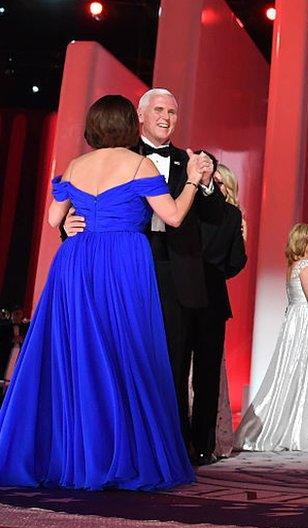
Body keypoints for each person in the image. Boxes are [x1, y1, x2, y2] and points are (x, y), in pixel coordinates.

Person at [0, 94, 202, 489]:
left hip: (76, 262)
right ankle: (119, 454)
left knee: (77, 355)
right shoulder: (139, 163)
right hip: (123, 261)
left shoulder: (75, 165)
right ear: (131, 124)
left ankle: (75, 452)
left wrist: (75, 220)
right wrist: (192, 179)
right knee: (125, 352)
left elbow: (54, 218)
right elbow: (174, 216)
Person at [65, 88, 227, 465]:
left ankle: (166, 449)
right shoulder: (114, 155)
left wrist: (201, 182)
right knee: (115, 356)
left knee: (168, 363)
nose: (167, 117)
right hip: (119, 270)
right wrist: (68, 226)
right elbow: (81, 207)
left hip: (174, 275)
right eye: (159, 110)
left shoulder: (192, 161)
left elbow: (217, 217)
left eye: (173, 111)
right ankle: (111, 443)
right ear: (140, 116)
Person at [235, 223, 308, 451]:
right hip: (306, 321)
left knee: (293, 373)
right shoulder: (306, 265)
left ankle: (291, 427)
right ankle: (298, 431)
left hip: (298, 320)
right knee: (304, 372)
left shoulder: (294, 265)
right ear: (302, 242)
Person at [201, 163, 247, 459]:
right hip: (182, 294)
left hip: (213, 299)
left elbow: (235, 263)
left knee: (208, 373)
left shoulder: (232, 219)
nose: (215, 187)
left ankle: (207, 440)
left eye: (220, 184)